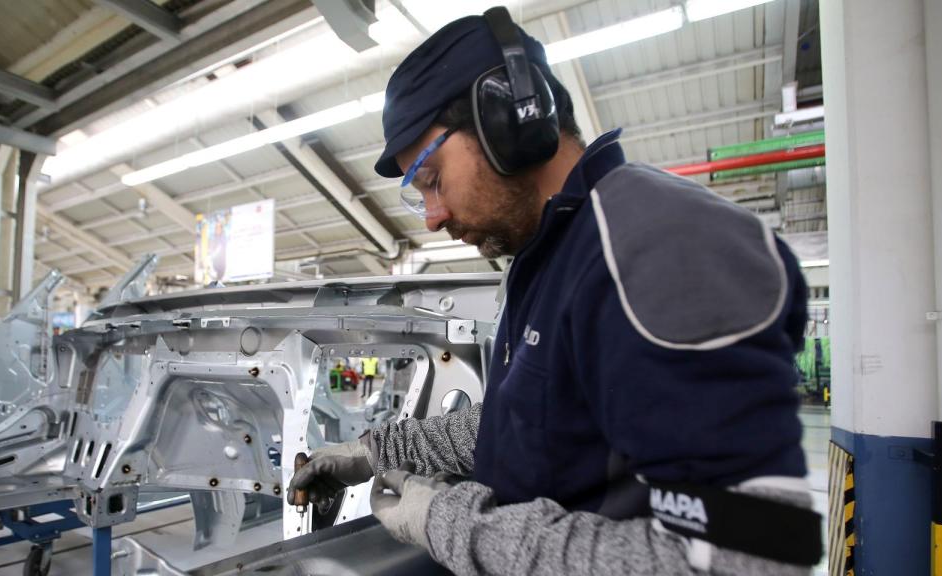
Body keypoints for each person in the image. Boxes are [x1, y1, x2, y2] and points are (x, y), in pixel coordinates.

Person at [288, 7, 822, 575]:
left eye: (432, 178)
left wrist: (450, 520)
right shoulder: (546, 260)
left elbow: (749, 558)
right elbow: (525, 422)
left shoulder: (659, 244)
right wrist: (376, 451)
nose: (432, 218)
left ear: (509, 119)